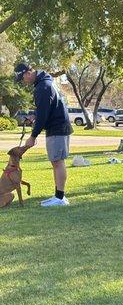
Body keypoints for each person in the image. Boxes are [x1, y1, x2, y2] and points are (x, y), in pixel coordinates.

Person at [15, 63, 73, 207]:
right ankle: (58, 196)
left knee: (58, 162)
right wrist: (35, 115)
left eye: (22, 79)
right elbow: (45, 108)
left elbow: (44, 115)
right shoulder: (45, 82)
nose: (23, 82)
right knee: (56, 161)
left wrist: (33, 136)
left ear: (28, 73)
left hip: (57, 127)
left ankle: (60, 198)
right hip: (59, 125)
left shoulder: (43, 87)